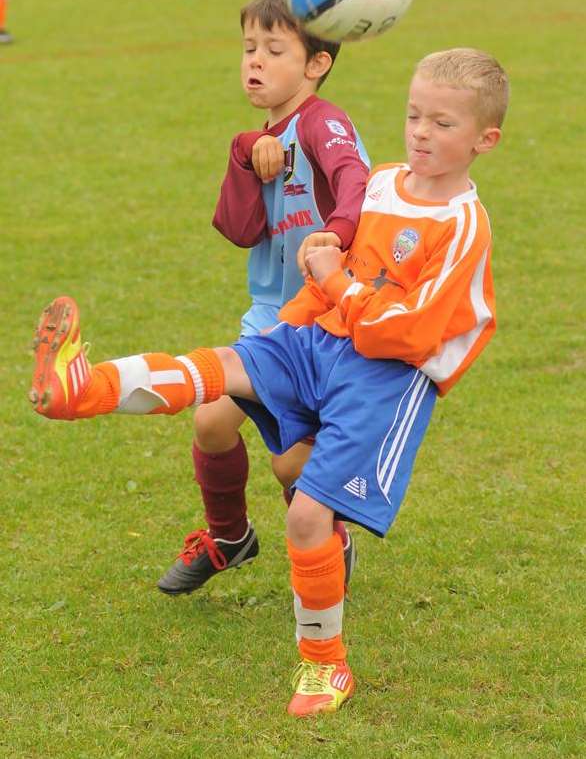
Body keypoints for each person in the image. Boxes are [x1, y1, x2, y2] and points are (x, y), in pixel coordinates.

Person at [29, 47, 509, 717]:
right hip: (319, 335)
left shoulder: (463, 225)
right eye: (413, 115)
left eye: (444, 123)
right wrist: (308, 293)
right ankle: (83, 391)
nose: (422, 132)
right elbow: (339, 255)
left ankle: (324, 666)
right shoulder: (384, 181)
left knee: (309, 513)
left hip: (384, 377)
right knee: (220, 370)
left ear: (486, 140)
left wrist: (331, 278)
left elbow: (404, 331)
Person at [159, 0, 369, 596]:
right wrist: (244, 152)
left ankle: (327, 531)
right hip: (267, 318)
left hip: (320, 324)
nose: (255, 61)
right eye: (249, 47)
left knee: (290, 462)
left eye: (274, 50)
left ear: (316, 65)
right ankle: (230, 537)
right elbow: (239, 227)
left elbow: (355, 178)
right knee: (211, 422)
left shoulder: (323, 121)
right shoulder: (264, 135)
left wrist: (335, 233)